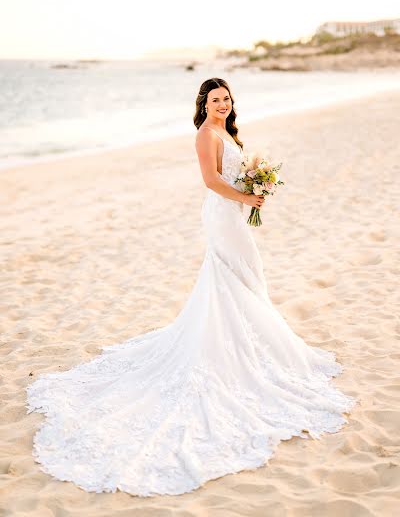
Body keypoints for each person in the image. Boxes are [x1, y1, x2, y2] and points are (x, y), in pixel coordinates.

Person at [26, 77, 357, 497]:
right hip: (222, 214)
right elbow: (210, 180)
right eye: (215, 99)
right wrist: (246, 196)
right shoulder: (205, 134)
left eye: (227, 98)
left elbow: (236, 174)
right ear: (204, 103)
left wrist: (256, 189)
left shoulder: (227, 132)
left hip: (233, 213)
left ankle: (254, 345)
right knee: (237, 275)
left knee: (246, 277)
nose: (222, 104)